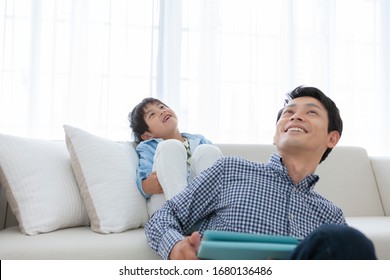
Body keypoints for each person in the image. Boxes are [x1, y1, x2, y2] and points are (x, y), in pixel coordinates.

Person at [144, 86, 377, 260]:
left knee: (350, 241)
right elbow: (163, 217)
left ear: (332, 138)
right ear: (275, 137)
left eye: (311, 113)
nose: (295, 116)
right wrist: (175, 246)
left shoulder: (331, 216)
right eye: (288, 113)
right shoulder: (229, 170)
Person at [129, 97, 223, 216]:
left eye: (162, 107)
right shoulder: (148, 147)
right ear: (147, 135)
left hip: (198, 204)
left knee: (208, 151)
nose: (161, 111)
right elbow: (144, 181)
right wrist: (148, 185)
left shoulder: (200, 140)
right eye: (152, 114)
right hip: (166, 204)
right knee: (170, 146)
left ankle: (212, 215)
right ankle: (181, 215)